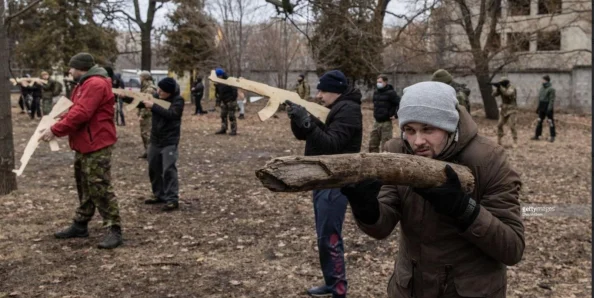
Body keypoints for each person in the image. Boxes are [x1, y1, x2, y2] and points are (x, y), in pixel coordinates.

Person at [340, 81, 524, 298]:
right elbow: (382, 226)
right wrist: (366, 208)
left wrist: (464, 209)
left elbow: (512, 248)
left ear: (449, 126)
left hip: (469, 291)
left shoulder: (488, 159)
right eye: (409, 130)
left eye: (428, 129)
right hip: (410, 289)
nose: (418, 141)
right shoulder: (397, 151)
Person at [286, 70, 362, 298]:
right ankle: (332, 284)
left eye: (322, 91)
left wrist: (307, 121)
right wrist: (297, 119)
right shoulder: (335, 107)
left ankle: (338, 291)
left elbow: (332, 145)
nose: (318, 95)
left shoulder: (349, 110)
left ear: (335, 91)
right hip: (323, 178)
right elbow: (307, 136)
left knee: (329, 238)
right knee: (324, 237)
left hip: (336, 181)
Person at [39, 52, 123, 249]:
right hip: (85, 143)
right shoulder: (83, 84)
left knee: (99, 186)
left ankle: (114, 229)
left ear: (81, 68)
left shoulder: (95, 84)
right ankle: (81, 224)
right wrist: (57, 120)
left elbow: (82, 113)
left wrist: (55, 130)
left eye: (72, 67)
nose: (69, 71)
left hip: (97, 144)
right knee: (85, 185)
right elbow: (75, 110)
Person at [142, 77, 185, 212]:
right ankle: (158, 194)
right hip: (155, 140)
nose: (159, 91)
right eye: (159, 89)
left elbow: (172, 114)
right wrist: (124, 97)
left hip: (169, 141)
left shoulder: (178, 101)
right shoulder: (156, 96)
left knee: (168, 169)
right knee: (153, 168)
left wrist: (153, 106)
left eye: (163, 90)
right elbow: (139, 102)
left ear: (170, 92)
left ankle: (172, 199)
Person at [369, 74, 400, 153]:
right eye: (377, 82)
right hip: (376, 122)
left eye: (380, 82)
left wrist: (395, 115)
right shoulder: (376, 92)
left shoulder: (391, 93)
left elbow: (399, 103)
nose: (378, 84)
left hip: (386, 123)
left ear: (385, 82)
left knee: (385, 146)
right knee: (373, 144)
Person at [492, 77, 518, 147]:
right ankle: (499, 140)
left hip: (512, 109)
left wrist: (500, 87)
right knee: (499, 124)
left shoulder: (512, 88)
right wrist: (497, 88)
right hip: (504, 109)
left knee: (512, 125)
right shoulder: (501, 88)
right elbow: (493, 95)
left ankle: (515, 141)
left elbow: (508, 94)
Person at [214, 68, 238, 136]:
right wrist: (218, 101)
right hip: (224, 101)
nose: (218, 77)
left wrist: (232, 99)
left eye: (218, 76)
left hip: (230, 101)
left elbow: (234, 91)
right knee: (223, 115)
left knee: (231, 116)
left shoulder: (229, 80)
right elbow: (219, 93)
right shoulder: (219, 82)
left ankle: (233, 130)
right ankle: (223, 128)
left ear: (221, 75)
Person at [531, 75, 556, 142]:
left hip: (547, 106)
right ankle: (537, 135)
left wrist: (549, 109)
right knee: (539, 121)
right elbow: (540, 99)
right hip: (541, 106)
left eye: (543, 80)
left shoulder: (551, 89)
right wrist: (538, 107)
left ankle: (552, 136)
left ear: (546, 80)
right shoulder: (542, 88)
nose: (541, 81)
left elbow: (551, 100)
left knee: (550, 122)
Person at [138, 71, 157, 159]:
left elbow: (146, 103)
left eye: (141, 77)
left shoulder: (149, 89)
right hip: (146, 114)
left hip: (148, 115)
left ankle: (151, 153)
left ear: (144, 78)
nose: (139, 79)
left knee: (147, 134)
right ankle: (147, 151)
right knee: (144, 133)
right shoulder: (145, 87)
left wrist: (142, 115)